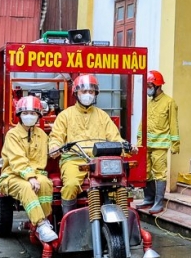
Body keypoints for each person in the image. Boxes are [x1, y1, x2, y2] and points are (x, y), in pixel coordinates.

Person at [49, 74, 134, 215]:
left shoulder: (102, 116)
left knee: (120, 186)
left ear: (95, 94)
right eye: (84, 91)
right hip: (73, 161)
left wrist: (128, 147)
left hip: (100, 163)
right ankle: (68, 222)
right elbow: (56, 137)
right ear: (76, 93)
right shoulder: (65, 115)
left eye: (91, 91)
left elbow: (115, 138)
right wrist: (54, 147)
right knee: (70, 186)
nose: (88, 95)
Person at [0, 96, 58, 244]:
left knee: (45, 183)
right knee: (27, 187)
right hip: (12, 176)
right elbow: (17, 160)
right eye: (25, 113)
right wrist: (30, 177)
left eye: (33, 113)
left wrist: (56, 151)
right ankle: (41, 224)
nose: (29, 116)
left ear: (39, 115)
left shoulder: (42, 135)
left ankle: (43, 223)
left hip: (36, 175)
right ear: (19, 115)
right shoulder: (13, 135)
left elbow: (50, 151)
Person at [136, 70, 179, 215]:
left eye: (149, 85)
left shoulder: (169, 102)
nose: (147, 88)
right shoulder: (149, 102)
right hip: (146, 145)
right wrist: (139, 141)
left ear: (158, 85)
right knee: (145, 172)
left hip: (160, 145)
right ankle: (149, 198)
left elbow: (173, 124)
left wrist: (175, 144)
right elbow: (143, 122)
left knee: (159, 173)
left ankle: (159, 202)